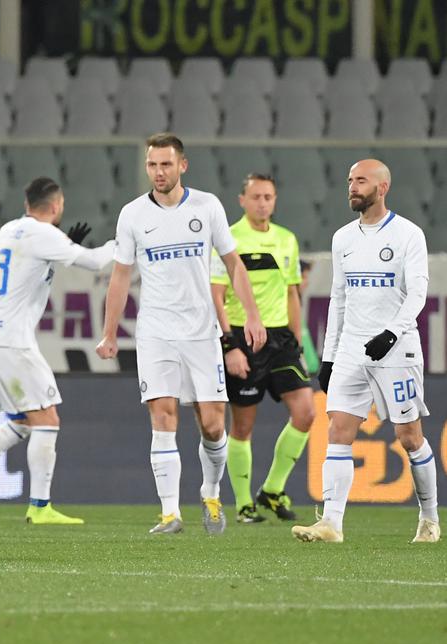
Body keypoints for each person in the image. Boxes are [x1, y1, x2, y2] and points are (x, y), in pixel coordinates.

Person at [96, 132, 267, 535]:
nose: (158, 172)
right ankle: (170, 512)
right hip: (155, 331)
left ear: (182, 165)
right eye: (153, 165)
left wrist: (253, 316)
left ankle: (210, 493)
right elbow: (120, 277)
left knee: (211, 424)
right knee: (163, 415)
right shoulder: (132, 214)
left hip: (200, 331)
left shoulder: (207, 206)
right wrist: (109, 333)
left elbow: (234, 263)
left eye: (166, 164)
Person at [0, 177, 113, 525]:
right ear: (57, 205)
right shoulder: (44, 235)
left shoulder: (7, 231)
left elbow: (27, 268)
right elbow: (95, 262)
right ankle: (40, 506)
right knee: (47, 419)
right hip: (13, 341)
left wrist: (60, 248)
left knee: (21, 422)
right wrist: (125, 242)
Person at [293, 159, 439, 544]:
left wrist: (391, 334)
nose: (352, 187)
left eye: (361, 181)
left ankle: (429, 518)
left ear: (382, 187)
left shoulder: (408, 234)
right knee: (338, 431)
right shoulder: (343, 237)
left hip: (397, 353)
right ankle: (331, 524)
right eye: (349, 181)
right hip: (352, 352)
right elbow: (338, 300)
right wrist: (328, 356)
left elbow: (418, 293)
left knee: (409, 437)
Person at [210, 174, 314, 524]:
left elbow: (292, 292)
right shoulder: (229, 239)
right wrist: (230, 346)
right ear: (242, 200)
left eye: (268, 196)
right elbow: (217, 296)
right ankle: (243, 503)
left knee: (306, 412)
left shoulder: (287, 240)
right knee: (243, 426)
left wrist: (297, 341)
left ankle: (271, 489)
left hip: (280, 338)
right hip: (243, 338)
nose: (263, 203)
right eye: (256, 197)